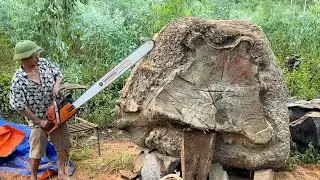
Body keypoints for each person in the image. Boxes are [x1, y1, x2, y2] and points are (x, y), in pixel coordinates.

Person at [10, 40, 72, 180]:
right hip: (36, 117)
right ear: (24, 58)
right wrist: (39, 122)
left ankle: (61, 172)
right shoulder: (18, 80)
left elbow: (58, 74)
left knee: (62, 142)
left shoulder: (44, 63)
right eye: (34, 55)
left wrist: (57, 85)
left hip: (55, 111)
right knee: (37, 149)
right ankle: (33, 176)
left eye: (37, 54)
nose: (37, 57)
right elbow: (20, 106)